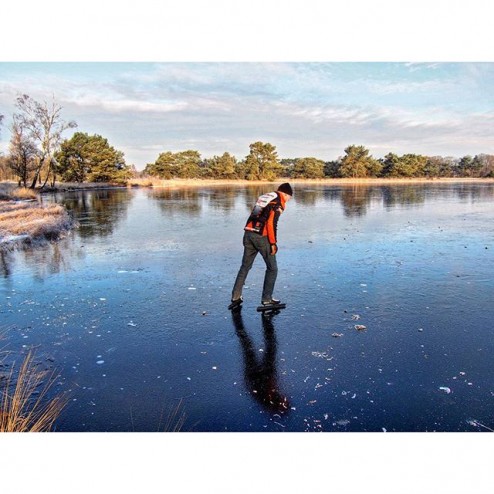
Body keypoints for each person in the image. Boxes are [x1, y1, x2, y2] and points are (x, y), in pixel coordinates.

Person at [230, 182, 293, 308]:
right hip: (261, 237)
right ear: (285, 194)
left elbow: (256, 215)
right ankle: (267, 299)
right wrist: (273, 243)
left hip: (248, 233)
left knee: (245, 266)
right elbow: (271, 223)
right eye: (289, 198)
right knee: (272, 268)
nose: (288, 201)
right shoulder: (278, 202)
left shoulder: (265, 197)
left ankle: (235, 296)